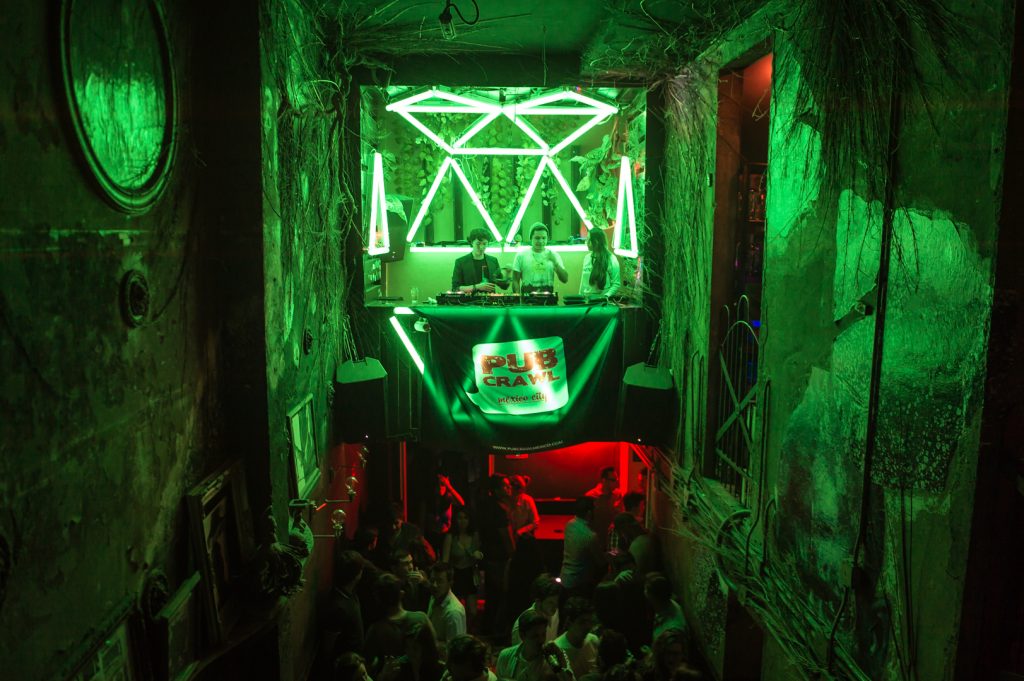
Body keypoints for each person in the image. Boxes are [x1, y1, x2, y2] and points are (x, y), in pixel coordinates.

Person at [363, 573, 441, 681]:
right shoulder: (421, 619)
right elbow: (436, 653)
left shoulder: (375, 630)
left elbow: (366, 666)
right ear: (401, 594)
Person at [477, 475, 515, 638]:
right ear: (496, 490)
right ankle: (497, 631)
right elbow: (506, 536)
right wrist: (514, 555)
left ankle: (487, 629)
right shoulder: (500, 509)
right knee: (500, 595)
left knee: (492, 594)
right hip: (500, 557)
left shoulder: (485, 505)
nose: (509, 488)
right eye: (505, 486)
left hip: (489, 555)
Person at [506, 475, 543, 621]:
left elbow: (536, 521)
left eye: (520, 490)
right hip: (509, 541)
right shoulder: (506, 501)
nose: (517, 494)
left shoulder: (527, 500)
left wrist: (521, 531)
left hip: (524, 544)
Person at [442, 507, 483, 622]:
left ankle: (468, 629)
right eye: (459, 518)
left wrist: (479, 555)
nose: (462, 521)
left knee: (472, 611)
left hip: (470, 573)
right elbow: (445, 561)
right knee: (457, 610)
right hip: (456, 574)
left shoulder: (474, 535)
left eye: (465, 518)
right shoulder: (451, 536)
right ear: (455, 520)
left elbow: (479, 554)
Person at [559, 497, 604, 601]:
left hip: (565, 578)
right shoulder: (590, 536)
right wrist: (613, 554)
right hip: (580, 584)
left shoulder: (569, 524)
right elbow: (601, 561)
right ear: (589, 512)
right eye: (595, 509)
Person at [496, 610, 560, 681]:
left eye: (543, 634)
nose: (541, 640)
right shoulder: (505, 657)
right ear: (522, 636)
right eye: (535, 636)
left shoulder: (548, 663)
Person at [512, 223, 568, 294]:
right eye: (537, 238)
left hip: (548, 299)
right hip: (527, 299)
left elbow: (565, 279)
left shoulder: (553, 255)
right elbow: (515, 280)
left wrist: (555, 263)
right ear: (531, 238)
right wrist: (517, 297)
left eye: (543, 238)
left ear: (547, 238)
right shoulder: (521, 255)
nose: (541, 241)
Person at [552, 597, 600, 677]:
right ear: (569, 622)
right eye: (582, 622)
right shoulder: (558, 649)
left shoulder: (593, 640)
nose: (588, 626)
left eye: (590, 621)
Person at [452, 228, 510, 293]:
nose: (481, 247)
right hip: (469, 299)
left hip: (490, 299)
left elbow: (504, 286)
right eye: (478, 243)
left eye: (484, 244)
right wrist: (477, 287)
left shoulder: (493, 261)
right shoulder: (461, 262)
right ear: (471, 242)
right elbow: (455, 288)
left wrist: (507, 274)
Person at [428, 562, 467, 655]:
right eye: (432, 580)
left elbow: (455, 651)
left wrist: (429, 643)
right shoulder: (434, 597)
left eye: (439, 581)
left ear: (450, 583)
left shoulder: (453, 613)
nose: (434, 585)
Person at [510, 574, 561, 644]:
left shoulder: (554, 613)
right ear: (538, 601)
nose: (555, 606)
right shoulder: (523, 626)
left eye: (556, 602)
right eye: (550, 602)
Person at [584, 467, 623, 549]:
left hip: (612, 541)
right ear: (604, 480)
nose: (616, 482)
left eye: (617, 479)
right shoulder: (591, 496)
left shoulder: (617, 494)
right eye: (613, 480)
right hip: (595, 542)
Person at [643, 573, 687, 642]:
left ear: (655, 599)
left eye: (647, 592)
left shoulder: (672, 632)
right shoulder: (667, 604)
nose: (644, 592)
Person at [578, 229, 620, 298]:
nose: (586, 242)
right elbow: (583, 283)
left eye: (589, 240)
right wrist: (580, 297)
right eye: (586, 239)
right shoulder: (587, 258)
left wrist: (605, 296)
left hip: (602, 300)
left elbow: (616, 284)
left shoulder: (611, 259)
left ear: (597, 241)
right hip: (587, 299)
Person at [392, 549, 432, 613]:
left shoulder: (420, 576)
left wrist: (424, 582)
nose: (411, 567)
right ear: (394, 568)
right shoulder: (392, 585)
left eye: (411, 562)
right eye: (406, 564)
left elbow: (433, 595)